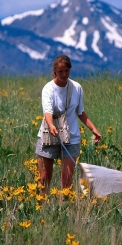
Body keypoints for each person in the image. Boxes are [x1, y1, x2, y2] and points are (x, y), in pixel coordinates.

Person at [35, 54, 101, 195]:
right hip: (49, 135)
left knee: (67, 182)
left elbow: (80, 112)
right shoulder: (48, 89)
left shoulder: (77, 88)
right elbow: (47, 111)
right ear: (55, 71)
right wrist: (52, 125)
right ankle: (40, 208)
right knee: (44, 178)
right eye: (60, 71)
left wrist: (94, 129)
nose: (64, 74)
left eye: (67, 71)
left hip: (71, 137)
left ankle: (65, 210)